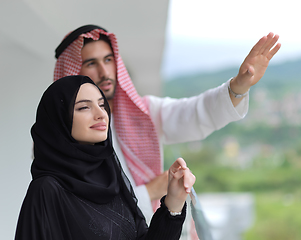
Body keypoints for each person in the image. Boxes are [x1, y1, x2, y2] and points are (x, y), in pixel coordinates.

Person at [54, 25, 281, 224]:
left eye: (108, 60)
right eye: (91, 63)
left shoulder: (143, 113)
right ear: (73, 72)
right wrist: (151, 191)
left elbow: (195, 112)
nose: (104, 72)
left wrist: (239, 86)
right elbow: (83, 214)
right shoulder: (58, 141)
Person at [15, 75, 196, 240]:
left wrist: (174, 202)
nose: (101, 114)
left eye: (102, 105)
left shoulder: (111, 178)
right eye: (84, 107)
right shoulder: (46, 190)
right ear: (59, 120)